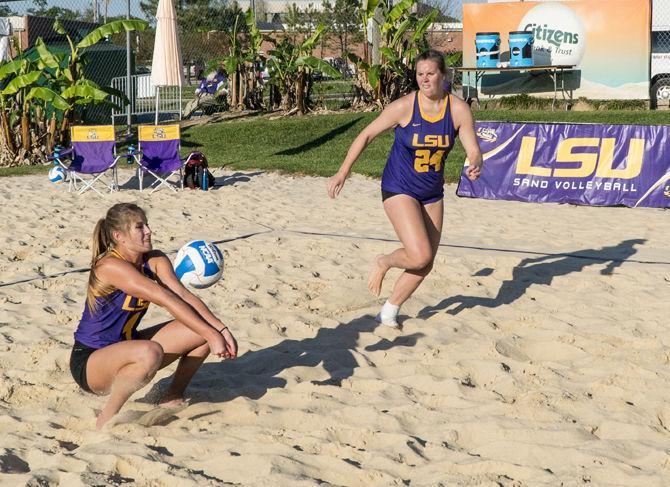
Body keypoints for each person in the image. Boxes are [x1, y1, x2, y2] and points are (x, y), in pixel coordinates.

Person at [326, 49, 483, 328]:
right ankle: (384, 261)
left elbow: (472, 147)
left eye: (430, 73)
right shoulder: (404, 107)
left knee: (425, 262)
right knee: (419, 253)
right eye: (420, 74)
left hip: (432, 191)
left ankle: (389, 310)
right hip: (399, 187)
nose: (424, 79)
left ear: (443, 76)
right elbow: (367, 134)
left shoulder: (458, 109)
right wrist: (342, 172)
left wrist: (475, 162)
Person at [69, 203, 237, 429]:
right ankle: (106, 419)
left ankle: (171, 396)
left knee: (200, 330)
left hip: (127, 346)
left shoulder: (154, 259)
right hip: (91, 362)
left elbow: (183, 296)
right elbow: (163, 298)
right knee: (151, 351)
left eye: (147, 225)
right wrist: (211, 332)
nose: (148, 231)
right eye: (140, 227)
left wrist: (220, 330)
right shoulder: (110, 265)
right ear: (120, 236)